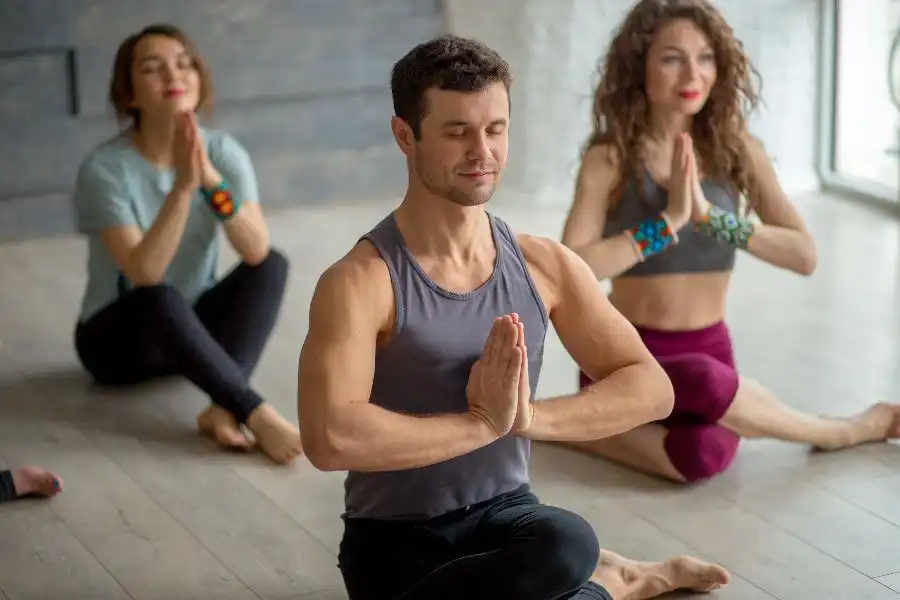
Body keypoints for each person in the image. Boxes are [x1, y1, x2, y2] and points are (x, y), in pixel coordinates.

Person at [297, 34, 730, 600]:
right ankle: (619, 582)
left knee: (567, 541)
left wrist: (526, 418)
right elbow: (328, 437)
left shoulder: (543, 264)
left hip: (506, 518)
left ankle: (608, 575)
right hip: (397, 543)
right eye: (457, 132)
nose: (482, 151)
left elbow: (652, 388)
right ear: (405, 135)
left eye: (496, 129)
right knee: (560, 564)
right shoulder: (360, 281)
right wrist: (480, 423)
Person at [560, 0, 900, 484]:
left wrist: (714, 220)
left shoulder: (739, 150)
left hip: (710, 352)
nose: (691, 73)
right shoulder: (609, 158)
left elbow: (803, 255)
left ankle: (587, 428)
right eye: (672, 58)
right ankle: (838, 431)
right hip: (625, 353)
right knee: (705, 382)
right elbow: (574, 266)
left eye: (705, 57)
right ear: (639, 66)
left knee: (703, 454)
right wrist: (668, 223)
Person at [70, 24, 302, 465]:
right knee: (159, 296)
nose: (173, 74)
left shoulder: (224, 152)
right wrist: (182, 187)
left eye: (183, 63)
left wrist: (209, 180)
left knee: (272, 264)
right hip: (118, 345)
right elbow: (143, 274)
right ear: (130, 95)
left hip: (192, 328)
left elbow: (255, 249)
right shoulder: (104, 170)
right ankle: (253, 410)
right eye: (152, 68)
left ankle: (221, 408)